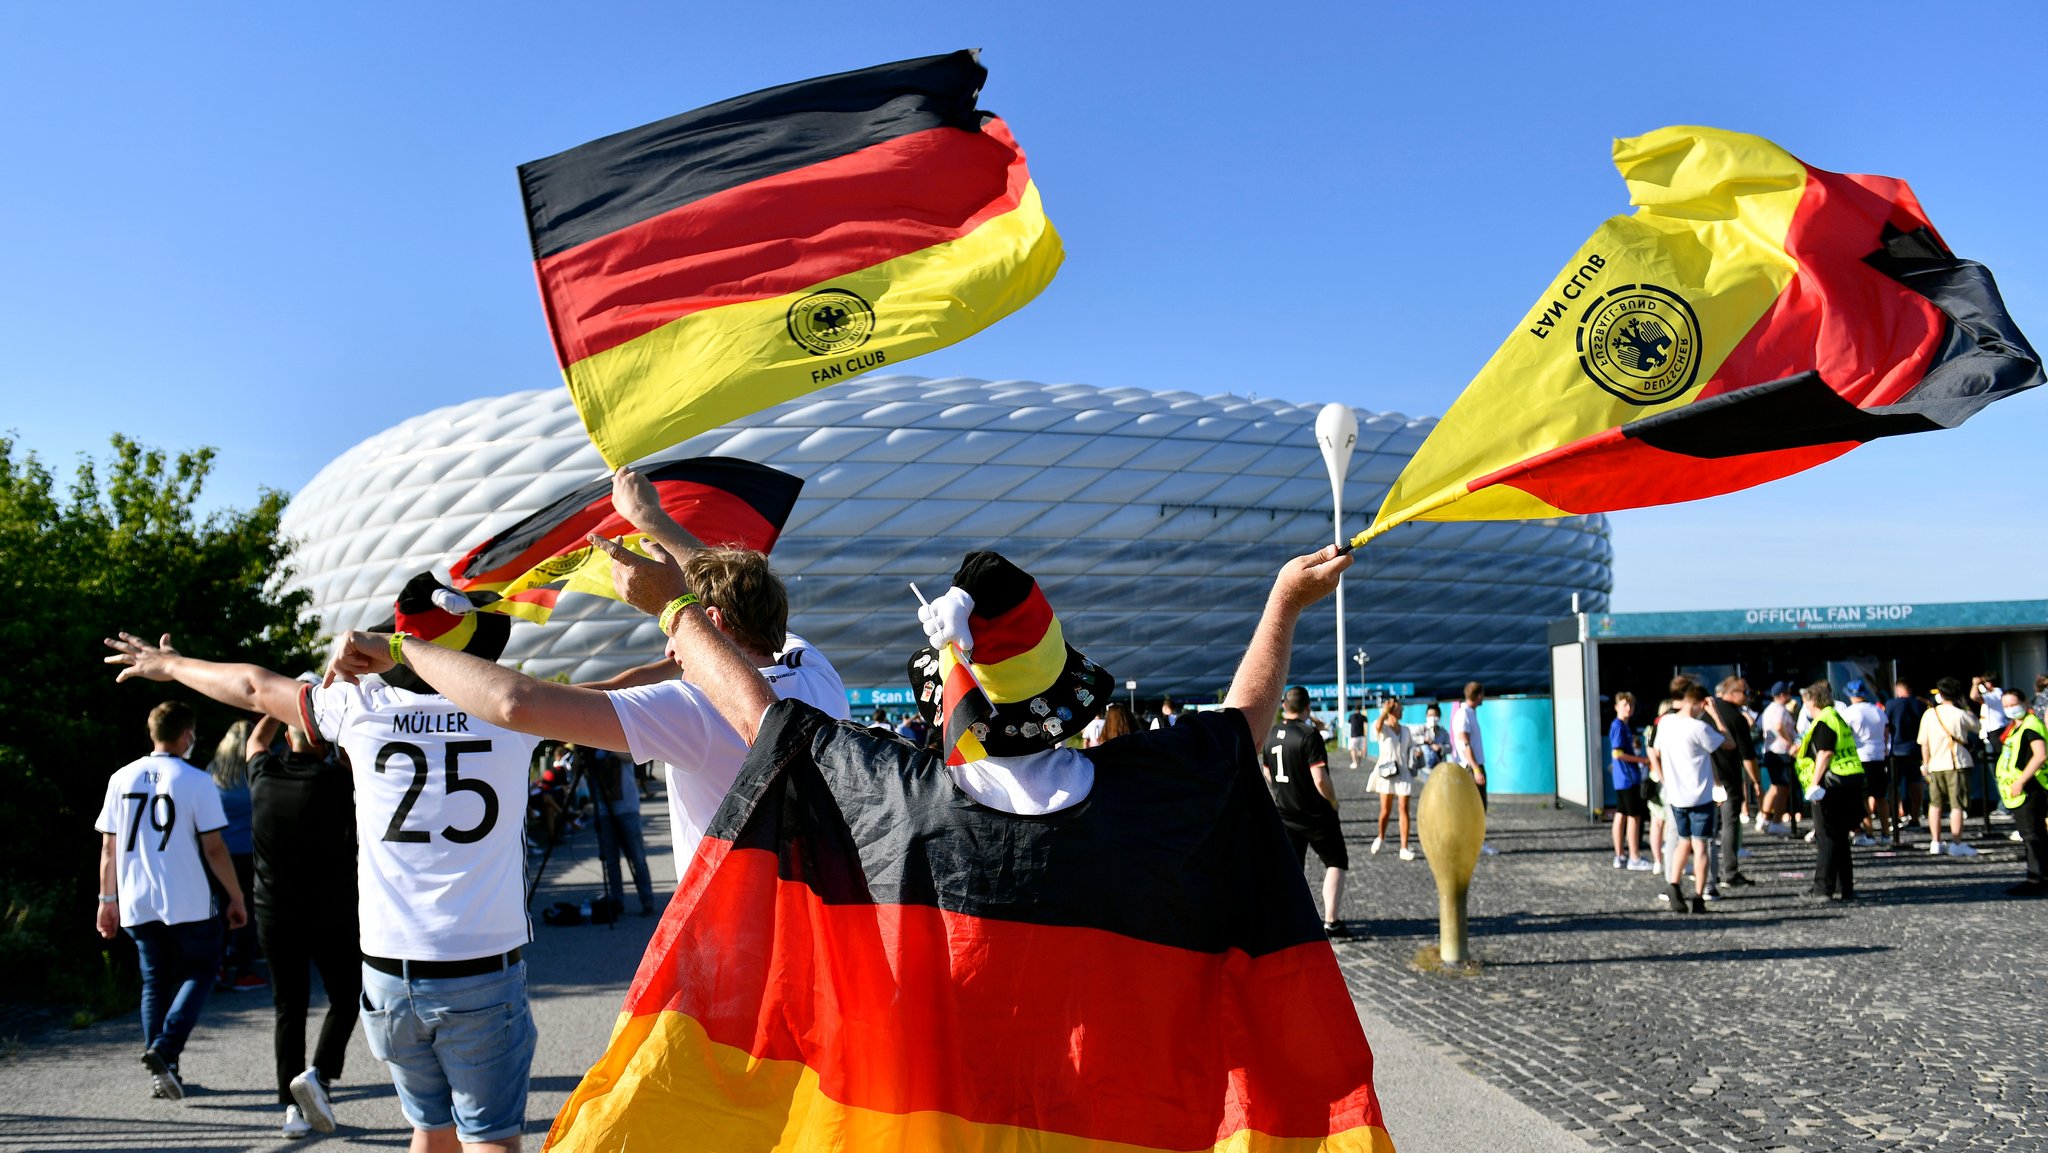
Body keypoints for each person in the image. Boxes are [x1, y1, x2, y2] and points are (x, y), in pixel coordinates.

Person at [107, 585, 541, 1153]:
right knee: (490, 1139)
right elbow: (617, 694)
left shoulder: (361, 709)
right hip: (480, 966)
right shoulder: (519, 709)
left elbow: (253, 687)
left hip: (390, 972)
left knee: (431, 1130)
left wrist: (172, 664)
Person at [94, 700, 249, 1102]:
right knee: (202, 970)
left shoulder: (120, 778)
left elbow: (109, 848)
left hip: (135, 897)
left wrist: (106, 899)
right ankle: (165, 1049)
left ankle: (164, 1074)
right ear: (187, 734)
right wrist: (235, 895)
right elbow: (214, 848)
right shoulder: (196, 780)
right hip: (188, 896)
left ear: (152, 732)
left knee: (155, 980)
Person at [245, 711, 361, 1139]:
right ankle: (320, 1076)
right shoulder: (338, 781)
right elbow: (355, 759)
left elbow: (256, 739)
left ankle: (291, 1111)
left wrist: (279, 705)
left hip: (274, 911)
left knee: (288, 1008)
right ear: (323, 741)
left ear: (288, 736)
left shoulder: (261, 775)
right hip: (333, 911)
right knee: (347, 998)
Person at [1261, 686, 1349, 935]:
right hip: (1315, 814)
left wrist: (1280, 792)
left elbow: (1267, 771)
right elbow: (1319, 778)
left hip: (1285, 812)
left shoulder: (1271, 734)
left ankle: (1289, 921)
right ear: (1308, 708)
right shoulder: (1309, 735)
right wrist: (1333, 801)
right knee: (1335, 861)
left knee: (1292, 869)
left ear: (1284, 707)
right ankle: (1331, 921)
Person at [1650, 684, 1724, 914]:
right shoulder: (1699, 727)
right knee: (1700, 845)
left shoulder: (1665, 723)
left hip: (1676, 796)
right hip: (1700, 795)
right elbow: (1727, 742)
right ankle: (1699, 896)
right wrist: (1715, 715)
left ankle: (1673, 884)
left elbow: (1655, 750)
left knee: (1683, 841)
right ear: (1699, 703)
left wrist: (1663, 777)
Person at [206, 718, 267, 993]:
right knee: (247, 910)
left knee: (217, 910)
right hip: (249, 852)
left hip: (216, 852)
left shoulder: (211, 774)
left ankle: (216, 967)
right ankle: (244, 971)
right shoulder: (253, 773)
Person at [1794, 680, 1865, 904]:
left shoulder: (1823, 721)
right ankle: (1845, 887)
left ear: (1812, 701)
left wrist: (1814, 785)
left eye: (1805, 701)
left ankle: (1823, 888)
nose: (1804, 706)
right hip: (1849, 779)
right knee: (1840, 837)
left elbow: (1824, 753)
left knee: (1826, 837)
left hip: (1830, 783)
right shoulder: (1837, 718)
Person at [583, 744, 656, 918]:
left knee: (637, 857)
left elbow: (630, 757)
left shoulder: (618, 741)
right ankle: (616, 900)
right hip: (603, 809)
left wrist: (606, 744)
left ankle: (647, 900)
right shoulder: (592, 746)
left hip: (627, 808)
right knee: (611, 860)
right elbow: (585, 773)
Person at [1704, 678, 1759, 894]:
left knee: (1708, 829)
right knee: (1730, 824)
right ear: (1733, 693)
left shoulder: (1704, 713)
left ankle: (1708, 872)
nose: (1748, 697)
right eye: (1746, 692)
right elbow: (1747, 755)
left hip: (1707, 777)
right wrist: (1755, 781)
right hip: (1728, 778)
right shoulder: (1736, 717)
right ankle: (1730, 871)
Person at [1918, 678, 1980, 857]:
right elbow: (1977, 726)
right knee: (1957, 804)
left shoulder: (1930, 714)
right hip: (1957, 762)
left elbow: (1924, 742)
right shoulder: (1960, 713)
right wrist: (1967, 707)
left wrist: (1925, 762)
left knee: (1935, 804)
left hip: (1935, 764)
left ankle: (1935, 841)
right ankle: (1957, 842)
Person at [1994, 689, 2047, 896]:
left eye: (2013, 704)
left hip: (2029, 788)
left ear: (2024, 702)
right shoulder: (2017, 727)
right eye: (2005, 706)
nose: (2009, 709)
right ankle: (2041, 876)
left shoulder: (2031, 725)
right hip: (2021, 788)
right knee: (2035, 834)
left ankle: (2035, 879)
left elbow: (2040, 755)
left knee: (2031, 835)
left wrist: (2021, 781)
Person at [1608, 692, 1653, 871]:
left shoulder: (1624, 727)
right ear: (1617, 707)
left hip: (1623, 779)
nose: (1628, 708)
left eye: (1631, 705)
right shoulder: (1618, 726)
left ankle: (1620, 855)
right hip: (1627, 778)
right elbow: (1617, 753)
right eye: (1624, 705)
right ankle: (1634, 856)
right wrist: (1642, 760)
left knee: (1621, 814)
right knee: (1634, 817)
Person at [1449, 681, 1495, 854]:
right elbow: (1465, 743)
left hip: (1471, 765)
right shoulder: (1464, 715)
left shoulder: (1468, 713)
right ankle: (1476, 843)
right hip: (1470, 766)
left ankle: (1474, 842)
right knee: (1477, 807)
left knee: (1475, 807)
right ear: (1479, 695)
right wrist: (1476, 769)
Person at [1841, 680, 1889, 846]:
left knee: (1864, 798)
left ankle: (1869, 833)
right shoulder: (1878, 710)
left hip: (1860, 757)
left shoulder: (1849, 713)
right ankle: (1886, 833)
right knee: (1881, 797)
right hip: (1879, 757)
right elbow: (1886, 734)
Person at [1369, 698, 1417, 860]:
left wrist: (1417, 753)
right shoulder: (1383, 728)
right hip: (1387, 773)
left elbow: (1411, 747)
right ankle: (1380, 836)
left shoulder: (1406, 730)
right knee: (1385, 810)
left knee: (1404, 808)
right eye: (1399, 708)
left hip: (1402, 771)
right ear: (1391, 711)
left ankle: (1404, 847)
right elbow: (1377, 726)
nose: (1402, 711)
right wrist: (1384, 711)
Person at [1885, 681, 1929, 840]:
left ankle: (1897, 813)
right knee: (1915, 782)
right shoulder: (1920, 704)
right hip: (1915, 748)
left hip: (1896, 749)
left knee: (1894, 783)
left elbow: (1887, 726)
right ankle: (1915, 816)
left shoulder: (1891, 704)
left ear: (1898, 689)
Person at [1348, 704, 1368, 769]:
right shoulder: (1362, 716)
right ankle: (1359, 762)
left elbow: (1349, 722)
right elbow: (1366, 721)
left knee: (1352, 749)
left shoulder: (1351, 716)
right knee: (1360, 750)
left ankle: (1354, 762)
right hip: (1361, 735)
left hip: (1353, 735)